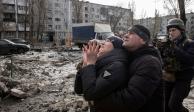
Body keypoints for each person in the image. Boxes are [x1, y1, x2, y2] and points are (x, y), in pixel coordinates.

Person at [92, 25, 163, 112]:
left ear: (143, 40)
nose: (125, 35)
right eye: (127, 32)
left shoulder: (149, 63)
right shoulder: (131, 57)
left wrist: (96, 100)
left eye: (131, 33)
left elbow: (131, 99)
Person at [74, 36, 130, 112]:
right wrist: (85, 64)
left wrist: (90, 64)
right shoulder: (101, 63)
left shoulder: (117, 67)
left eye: (108, 41)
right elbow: (79, 89)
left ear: (116, 47)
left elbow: (90, 94)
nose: (102, 43)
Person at [163, 18, 194, 112]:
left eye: (173, 30)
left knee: (174, 105)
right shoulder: (168, 44)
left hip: (182, 80)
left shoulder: (189, 43)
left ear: (181, 30)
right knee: (165, 105)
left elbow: (190, 60)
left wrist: (174, 48)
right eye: (169, 30)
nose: (171, 33)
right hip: (168, 78)